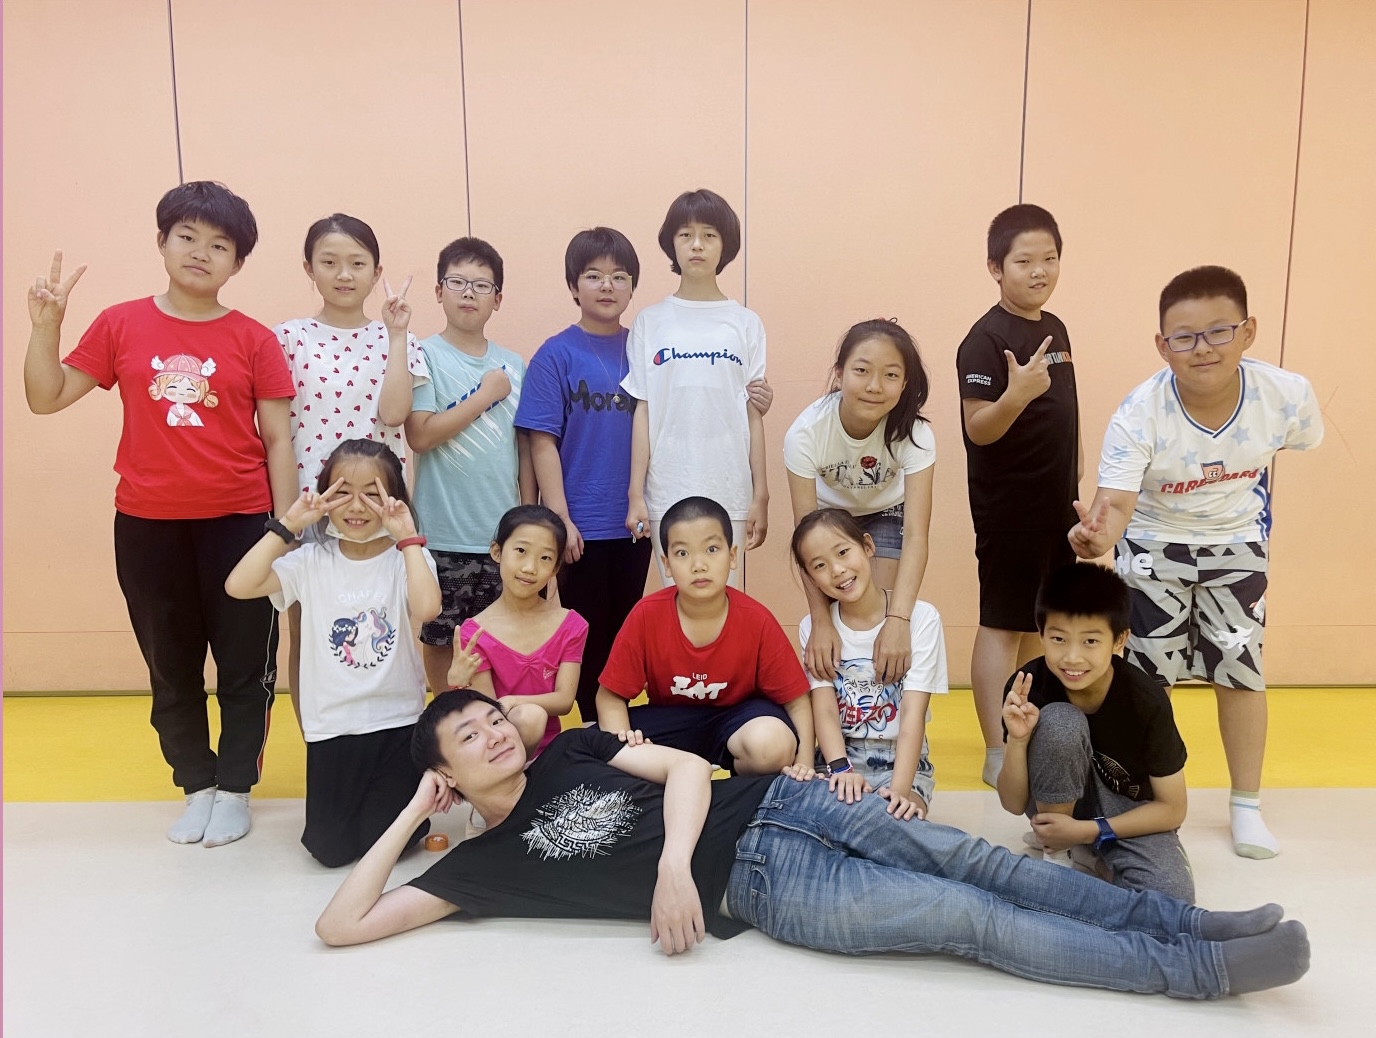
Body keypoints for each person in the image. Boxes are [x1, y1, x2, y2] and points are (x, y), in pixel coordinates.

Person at [314, 689, 1311, 1001]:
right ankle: (1194, 974)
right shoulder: (476, 869)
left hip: (783, 802)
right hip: (770, 889)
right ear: (447, 773)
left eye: (492, 717)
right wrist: (411, 814)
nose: (495, 734)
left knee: (988, 864)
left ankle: (1192, 925)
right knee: (969, 919)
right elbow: (341, 926)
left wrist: (670, 869)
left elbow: (682, 771)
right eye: (469, 738)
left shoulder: (573, 747)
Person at [23, 181, 295, 846]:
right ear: (162, 242)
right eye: (187, 237)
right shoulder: (120, 323)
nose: (201, 252)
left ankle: (235, 788)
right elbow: (46, 396)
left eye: (220, 245)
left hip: (240, 524)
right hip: (147, 526)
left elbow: (278, 438)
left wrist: (285, 531)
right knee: (171, 666)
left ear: (238, 262)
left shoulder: (255, 339)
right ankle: (196, 785)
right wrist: (45, 328)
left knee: (244, 665)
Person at [1069, 266, 1323, 859]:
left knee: (1241, 673)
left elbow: (1303, 441)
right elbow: (1117, 505)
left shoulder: (1287, 396)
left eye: (1218, 331)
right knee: (1144, 681)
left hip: (1238, 544)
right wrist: (1096, 538)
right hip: (1153, 545)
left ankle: (1246, 806)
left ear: (1247, 332)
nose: (1202, 348)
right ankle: (1136, 797)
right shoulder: (1140, 412)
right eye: (1184, 337)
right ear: (1163, 345)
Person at [224, 440, 440, 866]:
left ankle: (412, 816)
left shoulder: (406, 558)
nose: (356, 506)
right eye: (343, 492)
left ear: (394, 499)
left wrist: (408, 539)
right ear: (323, 496)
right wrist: (289, 525)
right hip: (333, 725)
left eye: (372, 494)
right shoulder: (310, 561)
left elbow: (428, 608)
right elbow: (239, 585)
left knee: (391, 840)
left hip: (397, 721)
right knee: (329, 849)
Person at [274, 213, 430, 727]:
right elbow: (274, 433)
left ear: (376, 271)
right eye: (329, 262)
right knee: (307, 628)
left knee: (386, 619)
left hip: (380, 507)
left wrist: (397, 335)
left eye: (358, 263)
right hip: (313, 506)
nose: (344, 274)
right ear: (309, 268)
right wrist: (287, 520)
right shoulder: (288, 338)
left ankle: (386, 726)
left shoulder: (401, 339)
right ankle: (318, 738)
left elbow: (394, 414)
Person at [957, 205, 1080, 788]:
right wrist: (1018, 394)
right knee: (1003, 624)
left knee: (1041, 624)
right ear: (995, 267)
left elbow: (1066, 414)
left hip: (1058, 506)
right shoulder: (984, 340)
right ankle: (994, 747)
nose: (1039, 271)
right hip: (1009, 509)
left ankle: (1026, 733)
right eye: (1024, 261)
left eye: (1049, 259)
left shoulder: (1056, 328)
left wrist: (1078, 486)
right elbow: (978, 428)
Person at [513, 228, 652, 724]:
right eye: (594, 276)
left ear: (632, 287)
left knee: (626, 635)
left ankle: (618, 730)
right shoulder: (555, 354)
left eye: (619, 276)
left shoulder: (645, 350)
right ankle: (597, 733)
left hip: (637, 522)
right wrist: (560, 520)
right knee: (586, 638)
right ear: (574, 286)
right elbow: (541, 441)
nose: (607, 286)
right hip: (581, 526)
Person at [996, 563, 1193, 901]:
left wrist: (1088, 830)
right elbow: (1013, 803)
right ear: (1041, 634)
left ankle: (1089, 849)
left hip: (1126, 812)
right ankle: (1058, 855)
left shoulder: (1146, 700)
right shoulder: (1028, 687)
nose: (1072, 657)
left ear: (1119, 639)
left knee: (1171, 900)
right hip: (1054, 804)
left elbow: (1173, 808)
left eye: (1090, 641)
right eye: (1058, 639)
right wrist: (1018, 740)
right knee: (1060, 721)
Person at [595, 496, 814, 776]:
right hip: (671, 722)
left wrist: (805, 762)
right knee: (600, 743)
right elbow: (610, 697)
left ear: (732, 556)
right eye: (682, 553)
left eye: (712, 549)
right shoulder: (646, 615)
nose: (698, 564)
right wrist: (625, 745)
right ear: (666, 564)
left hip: (739, 719)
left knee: (773, 744)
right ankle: (681, 774)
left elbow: (796, 700)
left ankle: (735, 790)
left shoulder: (756, 619)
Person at [623, 189, 772, 589]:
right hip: (666, 490)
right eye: (685, 234)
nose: (697, 245)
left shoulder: (746, 323)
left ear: (725, 245)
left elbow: (753, 412)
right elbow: (643, 410)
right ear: (671, 244)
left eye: (709, 235)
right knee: (677, 604)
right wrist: (636, 493)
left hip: (731, 488)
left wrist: (761, 493)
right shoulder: (649, 321)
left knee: (725, 603)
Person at [405, 237, 534, 694]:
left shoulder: (514, 365)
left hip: (501, 535)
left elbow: (524, 450)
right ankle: (446, 722)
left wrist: (529, 518)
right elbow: (420, 434)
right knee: (442, 638)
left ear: (497, 299)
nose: (468, 293)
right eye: (457, 282)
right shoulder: (423, 354)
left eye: (482, 285)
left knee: (502, 641)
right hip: (442, 533)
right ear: (438, 291)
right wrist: (485, 396)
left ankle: (498, 726)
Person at [785, 318, 935, 688]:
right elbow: (806, 539)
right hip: (828, 516)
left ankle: (893, 706)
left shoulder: (915, 434)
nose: (874, 386)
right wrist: (820, 620)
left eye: (890, 375)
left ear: (905, 383)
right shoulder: (806, 433)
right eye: (862, 370)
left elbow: (917, 535)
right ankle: (839, 705)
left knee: (877, 617)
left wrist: (899, 620)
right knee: (837, 618)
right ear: (839, 374)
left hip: (887, 510)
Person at [792, 508, 946, 818]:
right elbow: (824, 709)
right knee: (817, 819)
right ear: (811, 579)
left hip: (901, 762)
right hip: (838, 755)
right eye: (820, 565)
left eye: (843, 552)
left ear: (867, 546)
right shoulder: (814, 629)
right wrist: (841, 769)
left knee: (892, 821)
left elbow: (912, 716)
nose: (837, 570)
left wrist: (898, 792)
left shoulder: (922, 618)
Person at [446, 504, 589, 758]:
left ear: (555, 568)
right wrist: (459, 683)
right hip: (496, 750)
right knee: (530, 716)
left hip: (550, 753)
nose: (530, 568)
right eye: (521, 551)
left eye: (545, 558)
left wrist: (514, 701)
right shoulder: (475, 633)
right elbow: (490, 714)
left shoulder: (571, 625)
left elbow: (565, 700)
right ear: (497, 551)